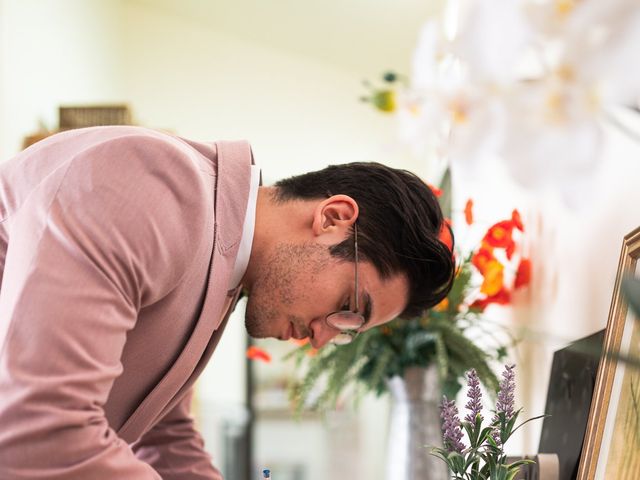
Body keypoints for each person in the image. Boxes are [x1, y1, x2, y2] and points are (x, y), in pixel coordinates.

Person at [0, 125, 455, 479]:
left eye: (348, 330)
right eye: (350, 306)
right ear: (333, 218)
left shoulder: (223, 265)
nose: (321, 338)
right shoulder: (159, 185)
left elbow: (162, 435)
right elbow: (40, 429)